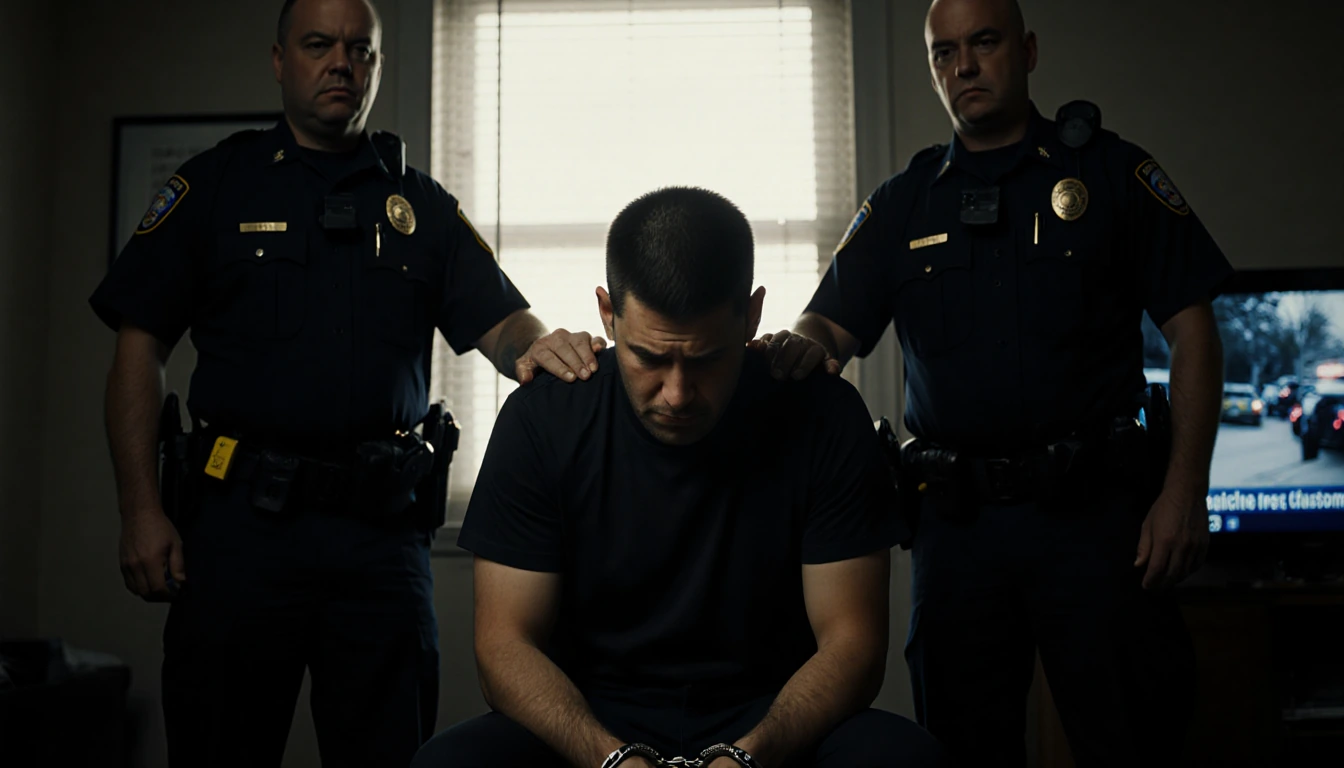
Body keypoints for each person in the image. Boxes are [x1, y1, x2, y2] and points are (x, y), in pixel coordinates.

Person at [89, 0, 605, 765]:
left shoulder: (420, 207)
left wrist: (547, 348)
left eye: (360, 50)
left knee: (390, 754)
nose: (341, 63)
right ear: (279, 60)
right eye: (319, 45)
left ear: (377, 64)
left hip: (379, 540)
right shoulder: (217, 187)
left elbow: (504, 327)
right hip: (238, 531)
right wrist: (139, 509)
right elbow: (139, 351)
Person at [762, 0, 1234, 765]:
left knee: (1131, 738)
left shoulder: (1112, 174)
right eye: (943, 53)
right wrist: (794, 345)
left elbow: (1194, 333)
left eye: (983, 43)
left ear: (1029, 49)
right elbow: (827, 333)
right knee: (962, 747)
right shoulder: (902, 203)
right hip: (957, 532)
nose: (964, 67)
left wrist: (1185, 492)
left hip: (1099, 520)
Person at [409, 187, 951, 768]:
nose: (676, 393)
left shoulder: (824, 413)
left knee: (904, 758)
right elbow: (504, 646)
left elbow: (854, 645)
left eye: (706, 359)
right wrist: (611, 758)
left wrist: (746, 756)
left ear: (752, 315)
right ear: (607, 314)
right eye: (648, 357)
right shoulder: (542, 419)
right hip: (591, 717)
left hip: (773, 714)